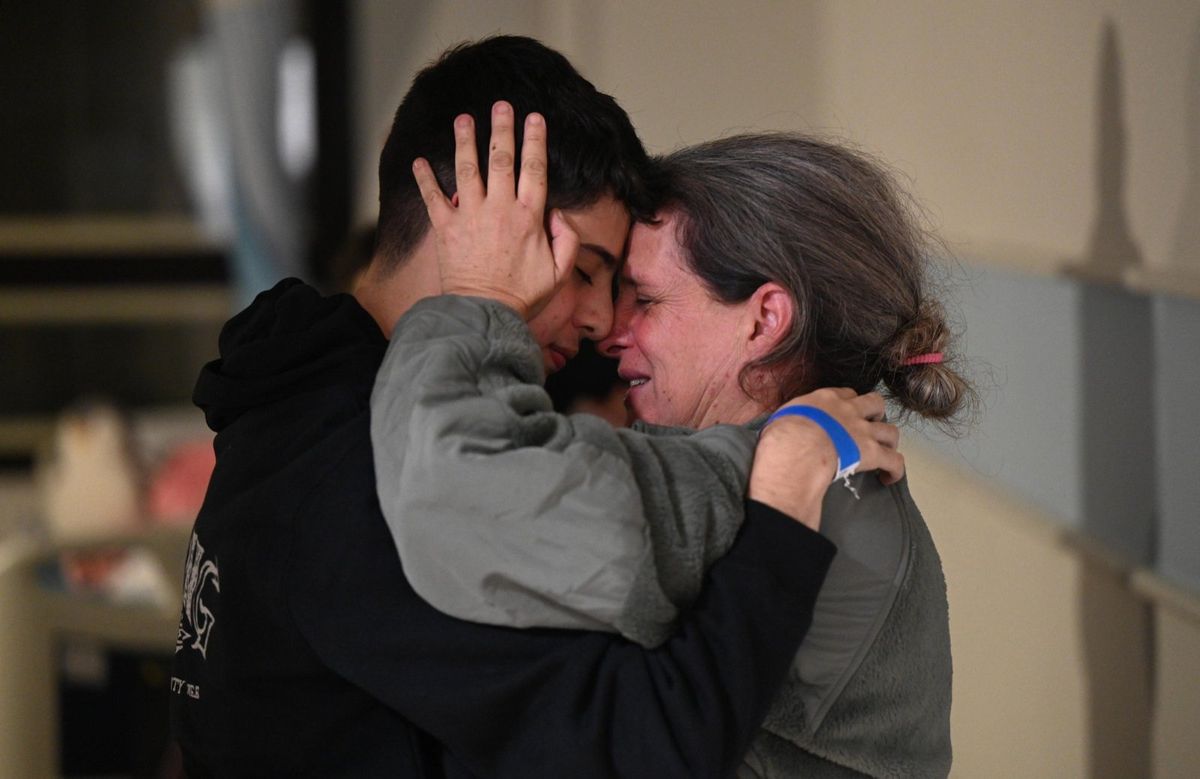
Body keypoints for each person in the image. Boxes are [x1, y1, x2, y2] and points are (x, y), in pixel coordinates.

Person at [170, 36, 902, 777]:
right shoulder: (375, 475)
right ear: (474, 217)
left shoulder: (296, 389)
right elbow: (643, 745)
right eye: (585, 270)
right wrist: (779, 511)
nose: (600, 321)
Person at [373, 132, 972, 776]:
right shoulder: (834, 476)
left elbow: (456, 483)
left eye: (647, 300)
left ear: (765, 320)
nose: (610, 331)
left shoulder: (770, 477)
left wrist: (478, 294)